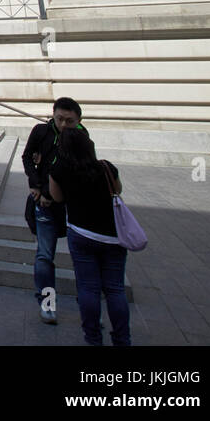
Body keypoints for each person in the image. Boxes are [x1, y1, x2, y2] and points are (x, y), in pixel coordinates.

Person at [49, 128, 130, 347]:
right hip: (112, 237)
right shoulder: (105, 166)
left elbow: (57, 198)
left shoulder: (59, 169)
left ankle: (93, 339)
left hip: (81, 233)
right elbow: (118, 190)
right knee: (115, 289)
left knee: (88, 289)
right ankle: (123, 340)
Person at [23, 97, 85, 325]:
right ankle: (47, 304)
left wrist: (52, 193)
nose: (63, 124)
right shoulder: (41, 131)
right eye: (59, 119)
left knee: (81, 259)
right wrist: (36, 185)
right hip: (44, 204)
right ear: (53, 115)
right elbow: (27, 156)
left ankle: (88, 306)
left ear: (78, 120)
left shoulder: (82, 136)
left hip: (71, 206)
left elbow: (81, 169)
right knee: (44, 256)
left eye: (69, 121)